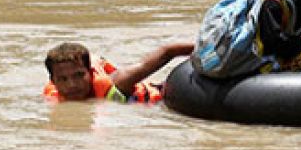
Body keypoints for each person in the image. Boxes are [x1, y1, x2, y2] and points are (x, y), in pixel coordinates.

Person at [43, 40, 193, 103]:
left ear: (90, 71)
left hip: (166, 97)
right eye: (63, 79)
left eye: (79, 75)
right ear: (53, 81)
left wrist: (208, 51)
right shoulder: (51, 99)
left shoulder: (119, 82)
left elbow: (167, 52)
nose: (72, 85)